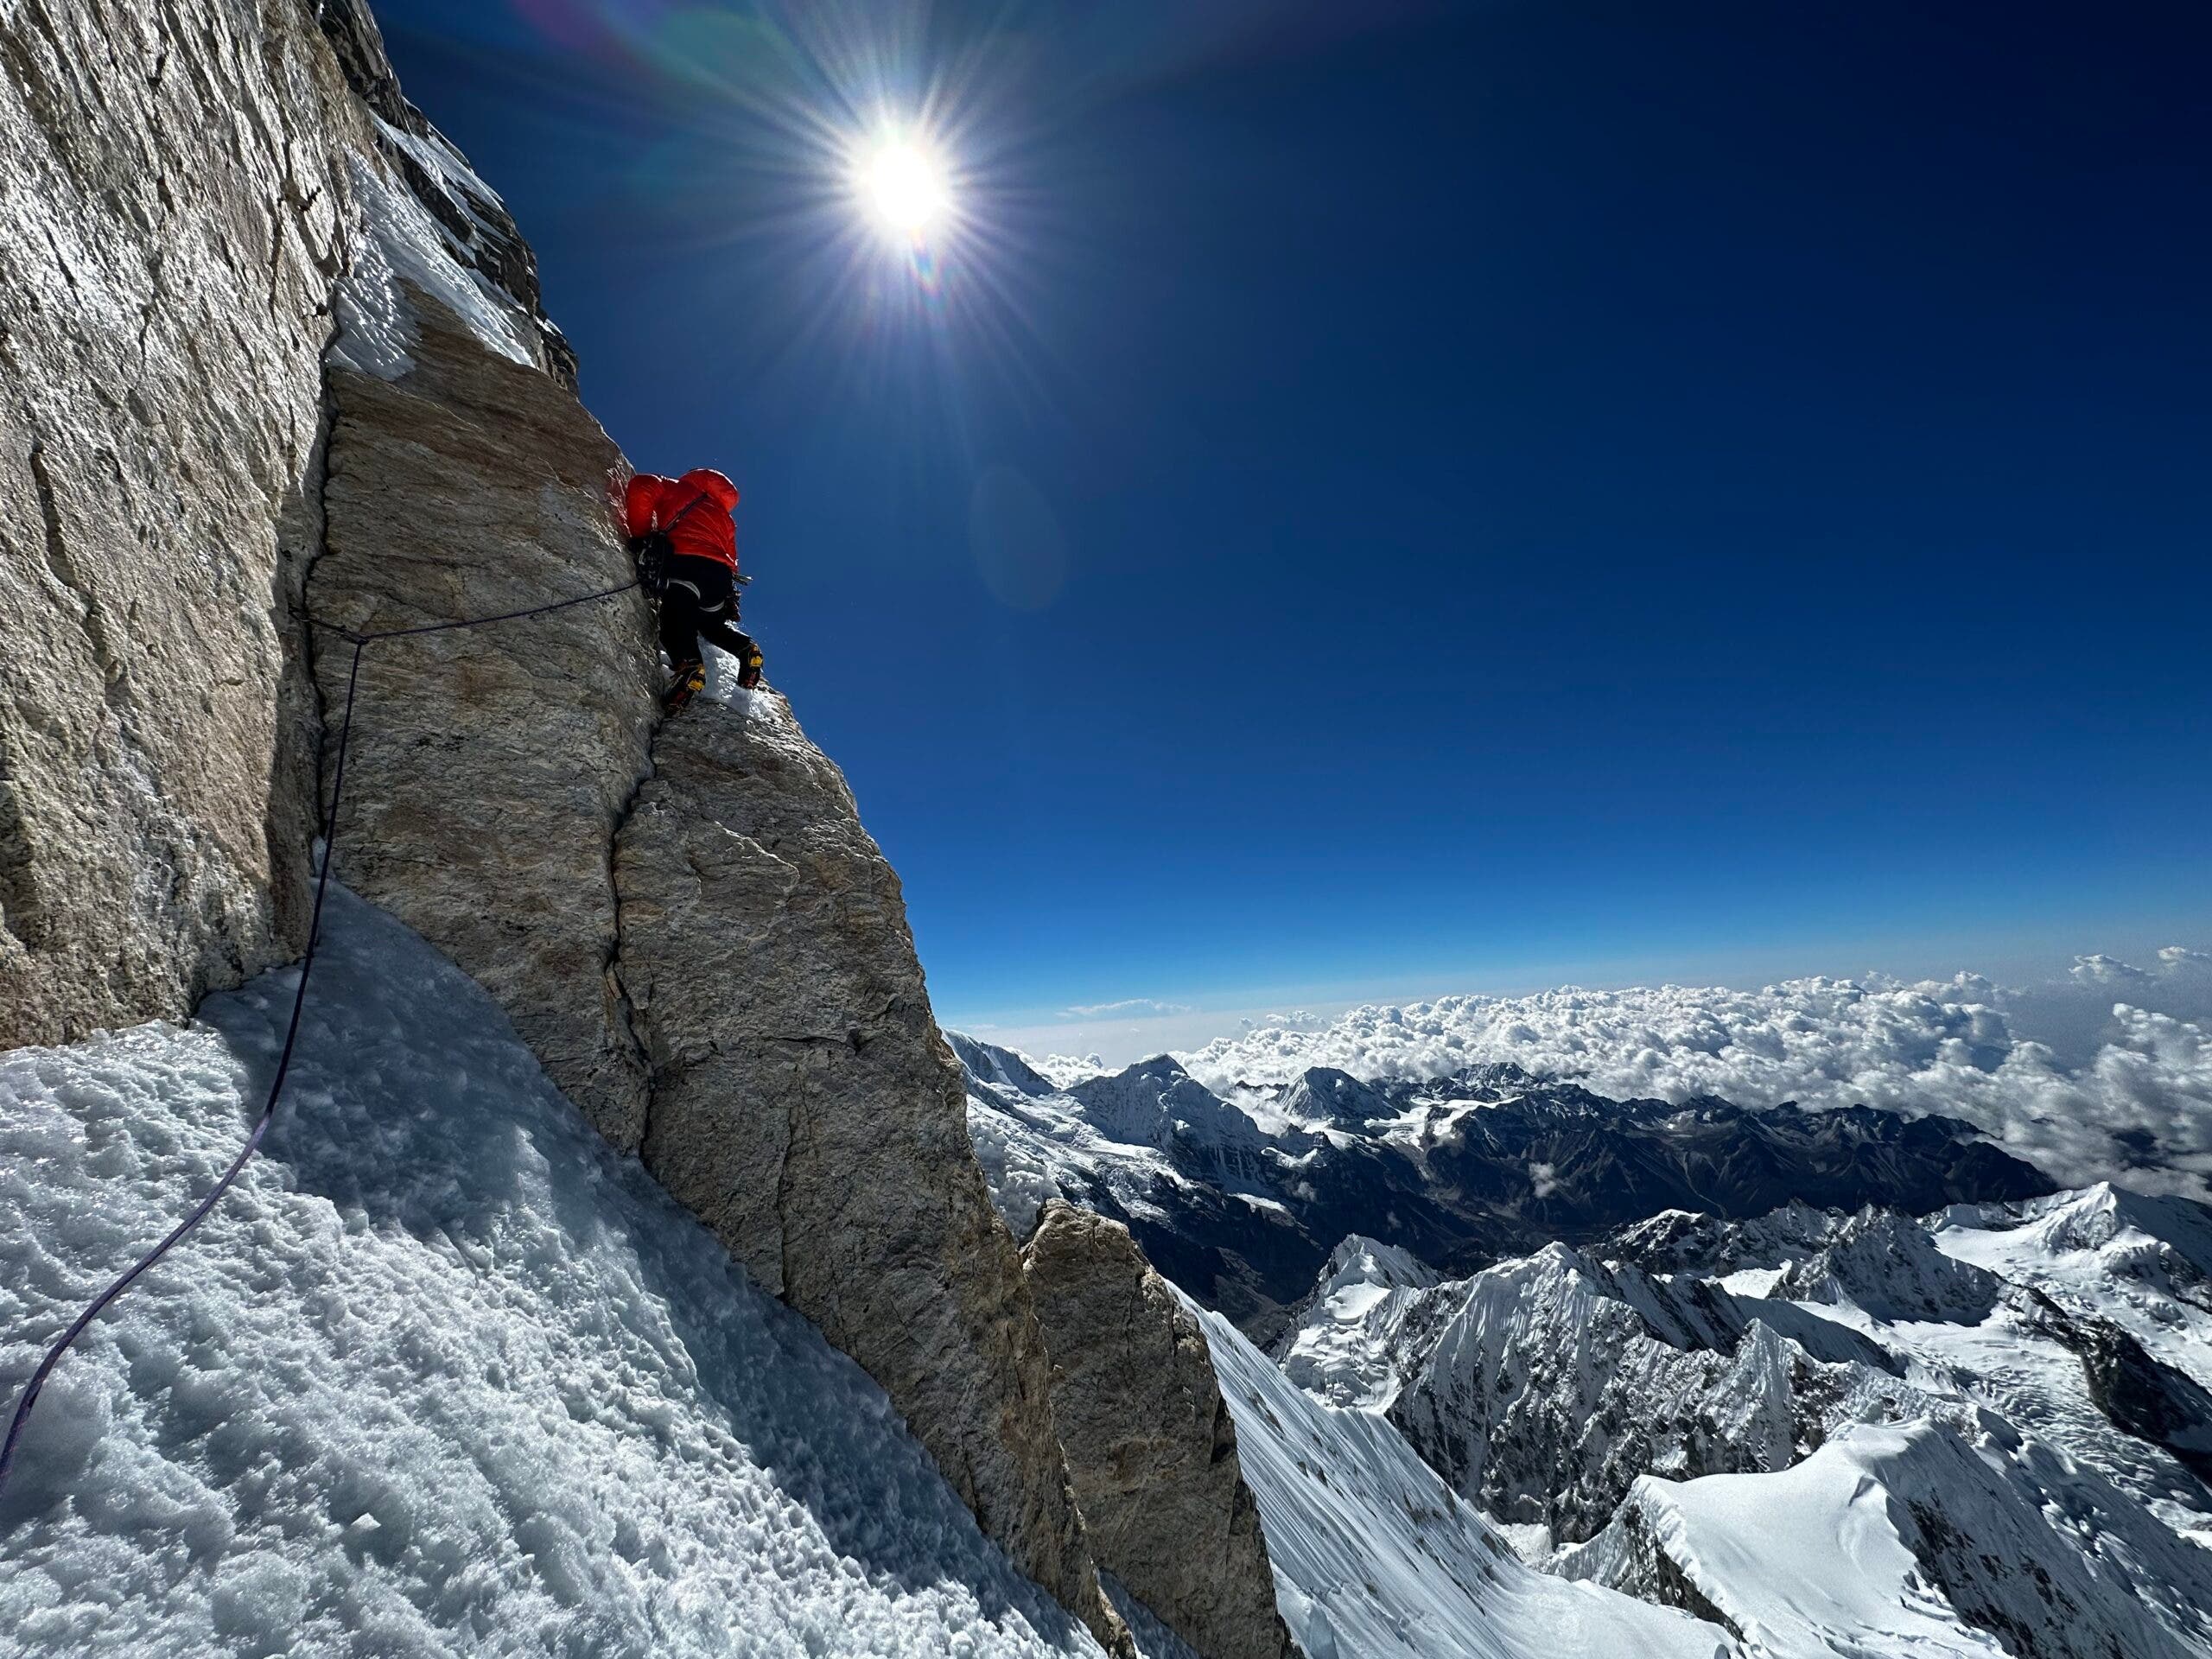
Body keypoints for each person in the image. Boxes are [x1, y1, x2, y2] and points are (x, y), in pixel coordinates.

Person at [621, 467, 764, 712]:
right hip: (720, 578)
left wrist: (641, 534)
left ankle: (690, 667)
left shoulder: (677, 488)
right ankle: (747, 650)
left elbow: (643, 485)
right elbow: (733, 558)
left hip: (685, 566)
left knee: (674, 623)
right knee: (710, 626)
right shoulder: (725, 518)